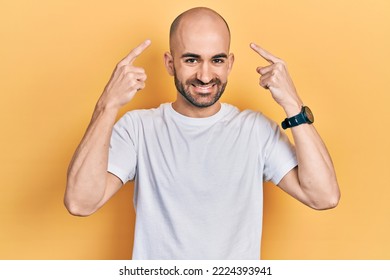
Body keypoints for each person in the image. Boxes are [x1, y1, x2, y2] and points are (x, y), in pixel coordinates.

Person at [65, 7, 340, 259]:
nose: (206, 76)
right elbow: (80, 202)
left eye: (217, 60)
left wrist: (292, 104)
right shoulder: (139, 128)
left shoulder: (255, 130)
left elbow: (324, 196)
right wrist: (107, 105)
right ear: (170, 64)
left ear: (230, 63)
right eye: (192, 60)